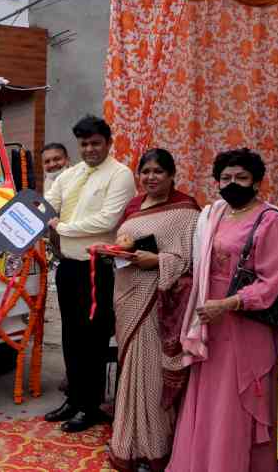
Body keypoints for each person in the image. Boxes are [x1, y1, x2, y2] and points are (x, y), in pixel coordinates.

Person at [167, 149, 278, 472]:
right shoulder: (215, 214)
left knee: (232, 401)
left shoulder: (270, 220)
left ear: (257, 182)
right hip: (209, 319)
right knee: (208, 397)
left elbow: (271, 282)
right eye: (226, 178)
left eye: (241, 178)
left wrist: (229, 304)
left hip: (243, 320)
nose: (233, 184)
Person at [107, 149, 199, 471]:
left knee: (151, 378)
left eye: (158, 171)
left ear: (172, 175)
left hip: (158, 303)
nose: (151, 177)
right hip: (128, 299)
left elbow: (191, 262)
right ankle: (128, 443)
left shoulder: (187, 211)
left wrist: (158, 261)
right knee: (129, 373)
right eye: (145, 172)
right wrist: (120, 250)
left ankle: (154, 449)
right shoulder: (133, 210)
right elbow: (120, 256)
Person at [43, 115, 136, 433]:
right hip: (68, 266)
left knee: (93, 338)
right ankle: (74, 398)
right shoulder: (69, 176)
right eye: (84, 144)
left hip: (98, 270)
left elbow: (108, 221)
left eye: (96, 143)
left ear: (108, 143)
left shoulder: (120, 175)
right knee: (70, 336)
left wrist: (63, 228)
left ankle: (91, 406)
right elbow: (48, 204)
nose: (90, 149)